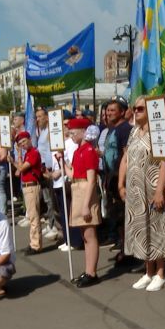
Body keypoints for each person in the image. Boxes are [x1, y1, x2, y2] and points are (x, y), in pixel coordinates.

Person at [120, 96, 165, 292]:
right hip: (135, 190)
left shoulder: (159, 131)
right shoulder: (134, 131)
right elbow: (126, 158)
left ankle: (160, 273)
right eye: (135, 108)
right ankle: (148, 271)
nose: (136, 111)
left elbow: (164, 162)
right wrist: (121, 183)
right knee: (141, 229)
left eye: (141, 108)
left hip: (151, 187)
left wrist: (160, 190)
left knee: (157, 227)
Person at [65, 118, 103, 288]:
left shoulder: (88, 151)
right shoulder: (78, 151)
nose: (71, 136)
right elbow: (73, 174)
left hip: (85, 191)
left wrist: (86, 204)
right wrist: (61, 161)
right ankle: (88, 270)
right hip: (77, 188)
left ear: (83, 131)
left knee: (89, 234)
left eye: (74, 132)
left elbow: (91, 179)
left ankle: (92, 272)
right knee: (84, 235)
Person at [101, 96, 132, 252]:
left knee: (123, 215)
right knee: (116, 215)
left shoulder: (125, 129)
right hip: (110, 179)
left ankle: (126, 249)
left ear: (122, 112)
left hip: (121, 180)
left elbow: (126, 156)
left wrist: (122, 181)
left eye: (113, 110)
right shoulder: (111, 130)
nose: (109, 113)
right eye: (108, 110)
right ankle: (121, 243)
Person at [34, 108, 62, 242]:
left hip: (51, 169)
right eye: (36, 117)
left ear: (47, 117)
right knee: (47, 199)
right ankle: (51, 223)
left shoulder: (51, 131)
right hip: (44, 169)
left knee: (52, 200)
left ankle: (56, 226)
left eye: (40, 116)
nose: (37, 119)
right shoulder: (42, 131)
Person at [12, 130, 42, 255]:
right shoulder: (28, 154)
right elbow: (19, 172)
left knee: (34, 216)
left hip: (32, 186)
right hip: (26, 186)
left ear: (29, 139)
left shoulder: (33, 153)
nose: (23, 145)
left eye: (24, 141)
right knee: (31, 216)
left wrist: (15, 159)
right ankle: (33, 242)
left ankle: (36, 245)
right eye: (20, 144)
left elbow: (21, 168)